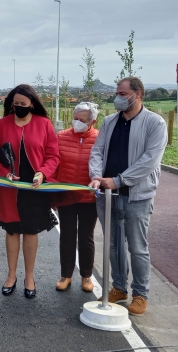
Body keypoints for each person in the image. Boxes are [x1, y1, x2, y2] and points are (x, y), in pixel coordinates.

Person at [89, 77, 167, 316]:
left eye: (122, 94)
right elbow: (98, 150)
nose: (117, 98)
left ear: (138, 94)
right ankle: (119, 288)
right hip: (107, 194)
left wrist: (119, 180)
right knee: (113, 244)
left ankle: (140, 294)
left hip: (137, 196)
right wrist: (96, 176)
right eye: (117, 93)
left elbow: (149, 161)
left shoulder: (155, 123)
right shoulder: (111, 121)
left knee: (137, 247)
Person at [0, 84, 60, 299]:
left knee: (30, 231)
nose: (19, 107)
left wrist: (43, 173)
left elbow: (53, 156)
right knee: (11, 231)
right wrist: (3, 173)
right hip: (9, 187)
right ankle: (11, 276)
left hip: (34, 188)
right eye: (15, 104)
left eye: (23, 104)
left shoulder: (44, 124)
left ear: (32, 104)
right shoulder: (1, 125)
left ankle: (29, 276)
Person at [53, 102, 99, 292]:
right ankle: (66, 275)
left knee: (86, 236)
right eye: (75, 118)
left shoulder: (100, 139)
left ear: (93, 121)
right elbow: (54, 163)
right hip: (67, 196)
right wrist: (53, 193)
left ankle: (86, 276)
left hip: (89, 198)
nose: (77, 122)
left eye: (82, 119)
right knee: (67, 235)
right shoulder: (61, 136)